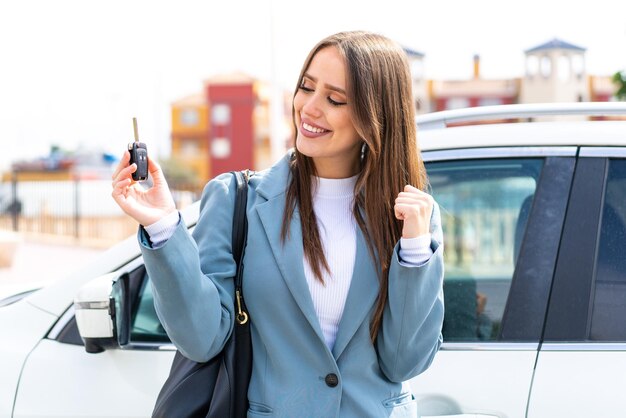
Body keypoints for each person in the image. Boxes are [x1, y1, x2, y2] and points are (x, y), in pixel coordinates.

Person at [112, 30, 444, 418]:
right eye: (306, 87)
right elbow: (201, 340)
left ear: (376, 115)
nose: (309, 108)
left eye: (335, 99)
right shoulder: (238, 200)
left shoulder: (412, 216)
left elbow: (404, 362)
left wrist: (415, 253)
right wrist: (165, 226)